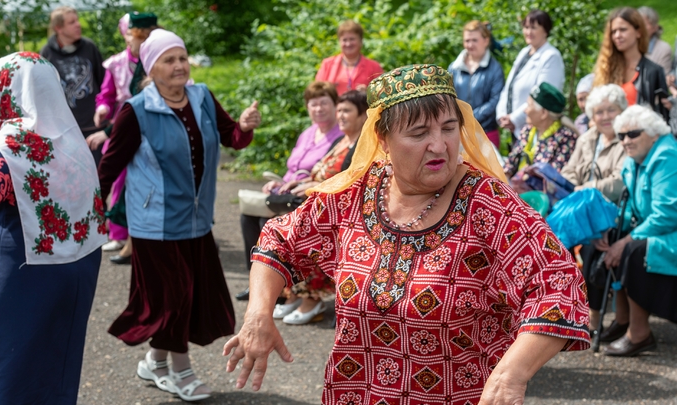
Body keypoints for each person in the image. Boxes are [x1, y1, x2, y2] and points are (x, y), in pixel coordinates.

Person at [223, 64, 590, 404]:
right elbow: (279, 240)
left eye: (448, 128)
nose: (439, 144)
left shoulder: (489, 205)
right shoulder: (355, 194)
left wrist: (512, 373)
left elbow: (558, 282)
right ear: (382, 139)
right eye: (419, 133)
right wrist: (258, 313)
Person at [98, 29, 261, 402]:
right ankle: (180, 372)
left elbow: (230, 136)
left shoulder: (201, 97)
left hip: (196, 221)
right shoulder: (136, 110)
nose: (179, 66)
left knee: (188, 295)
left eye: (182, 58)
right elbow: (109, 166)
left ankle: (154, 362)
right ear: (151, 68)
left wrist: (245, 127)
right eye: (169, 60)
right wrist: (93, 213)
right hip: (154, 223)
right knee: (173, 299)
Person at [0, 52, 107, 404]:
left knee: (12, 374)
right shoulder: (72, 140)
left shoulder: (13, 145)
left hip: (23, 280)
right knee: (57, 370)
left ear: (7, 92)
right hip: (76, 276)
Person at [236, 81, 342, 301]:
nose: (319, 109)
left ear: (335, 105)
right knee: (248, 217)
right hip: (287, 191)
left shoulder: (340, 136)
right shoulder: (307, 133)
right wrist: (276, 183)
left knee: (267, 225)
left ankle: (279, 288)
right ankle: (257, 282)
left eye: (324, 103)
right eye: (314, 104)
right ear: (307, 107)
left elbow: (324, 174)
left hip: (307, 196)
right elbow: (291, 169)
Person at [271, 90, 368, 324]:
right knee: (283, 232)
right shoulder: (339, 140)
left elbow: (354, 181)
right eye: (340, 110)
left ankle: (311, 300)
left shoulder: (362, 145)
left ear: (363, 115)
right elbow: (320, 171)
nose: (341, 115)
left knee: (304, 236)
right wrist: (301, 181)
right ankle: (292, 293)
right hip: (317, 203)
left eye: (347, 111)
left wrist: (318, 185)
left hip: (341, 211)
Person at [593, 105, 677, 356]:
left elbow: (667, 214)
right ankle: (622, 320)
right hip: (657, 228)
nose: (626, 141)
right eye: (621, 136)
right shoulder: (635, 159)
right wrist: (613, 227)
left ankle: (639, 334)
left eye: (633, 134)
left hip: (670, 230)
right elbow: (629, 207)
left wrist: (626, 239)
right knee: (609, 240)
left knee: (632, 249)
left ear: (653, 133)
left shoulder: (666, 156)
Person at [89, 12, 159, 262]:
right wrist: (103, 108)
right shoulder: (118, 62)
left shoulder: (156, 62)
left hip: (144, 127)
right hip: (122, 124)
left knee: (138, 182)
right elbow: (106, 94)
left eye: (133, 35)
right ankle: (119, 234)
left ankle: (133, 239)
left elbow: (144, 101)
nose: (129, 39)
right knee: (117, 178)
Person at [559, 85, 628, 335]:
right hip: (580, 210)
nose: (605, 116)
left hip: (611, 212)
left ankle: (593, 315)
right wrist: (578, 187)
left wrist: (585, 187)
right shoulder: (587, 138)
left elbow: (620, 183)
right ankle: (558, 306)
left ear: (622, 111)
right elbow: (568, 172)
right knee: (550, 238)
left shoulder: (626, 138)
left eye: (612, 110)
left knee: (591, 245)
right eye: (599, 112)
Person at [40, 6, 105, 165]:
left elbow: (103, 82)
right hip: (64, 131)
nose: (78, 25)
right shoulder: (47, 53)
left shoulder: (89, 47)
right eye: (72, 22)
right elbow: (44, 94)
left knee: (97, 179)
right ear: (58, 28)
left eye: (77, 20)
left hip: (92, 128)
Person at [496, 10, 564, 140]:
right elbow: (508, 87)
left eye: (533, 28)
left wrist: (514, 119)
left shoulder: (551, 56)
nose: (528, 32)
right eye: (526, 27)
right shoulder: (524, 52)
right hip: (516, 130)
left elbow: (543, 97)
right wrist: (502, 114)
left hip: (536, 129)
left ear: (545, 31)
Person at [592, 7, 670, 121]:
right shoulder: (605, 69)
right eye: (613, 31)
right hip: (609, 133)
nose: (617, 35)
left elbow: (661, 116)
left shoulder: (653, 71)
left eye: (623, 30)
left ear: (638, 32)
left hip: (639, 134)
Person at [503, 82, 579, 177]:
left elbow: (554, 178)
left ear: (543, 113)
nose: (525, 110)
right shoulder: (527, 130)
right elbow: (509, 165)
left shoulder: (566, 138)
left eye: (529, 105)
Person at [448, 20, 504, 148]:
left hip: (486, 132)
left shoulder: (495, 68)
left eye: (474, 40)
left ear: (486, 41)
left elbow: (496, 99)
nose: (470, 44)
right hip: (459, 131)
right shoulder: (454, 68)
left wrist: (471, 117)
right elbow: (448, 96)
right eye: (467, 41)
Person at [315, 20, 383, 95]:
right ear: (339, 42)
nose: (348, 44)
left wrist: (368, 93)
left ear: (361, 41)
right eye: (344, 40)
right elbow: (316, 92)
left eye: (352, 39)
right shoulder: (327, 64)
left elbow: (383, 94)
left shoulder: (374, 67)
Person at [638, 6, 674, 76]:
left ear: (655, 27)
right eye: (637, 24)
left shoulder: (663, 49)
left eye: (643, 24)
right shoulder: (628, 46)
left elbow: (662, 79)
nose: (639, 28)